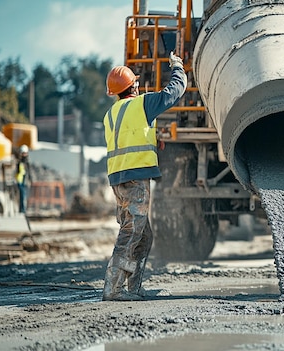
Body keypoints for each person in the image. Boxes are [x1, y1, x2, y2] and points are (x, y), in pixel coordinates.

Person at [102, 52, 187, 301]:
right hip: (135, 179)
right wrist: (177, 66)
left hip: (118, 179)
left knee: (143, 234)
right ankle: (113, 289)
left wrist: (152, 139)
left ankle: (133, 288)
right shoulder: (141, 104)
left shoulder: (112, 114)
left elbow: (129, 138)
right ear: (134, 86)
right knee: (131, 232)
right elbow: (174, 92)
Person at [15, 144, 33, 214]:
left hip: (24, 181)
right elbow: (17, 171)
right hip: (20, 181)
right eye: (23, 153)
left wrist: (30, 179)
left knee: (23, 195)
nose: (24, 155)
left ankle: (23, 209)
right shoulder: (19, 162)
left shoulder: (26, 163)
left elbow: (28, 172)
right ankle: (22, 209)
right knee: (21, 194)